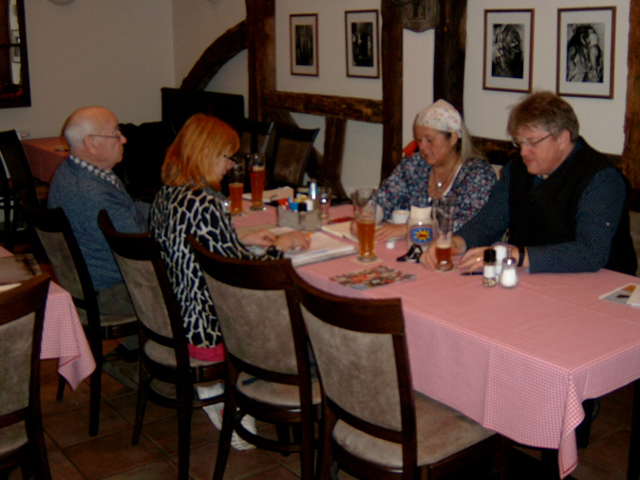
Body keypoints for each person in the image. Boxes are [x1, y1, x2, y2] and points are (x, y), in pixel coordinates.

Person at [422, 91, 637, 275]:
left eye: (532, 142)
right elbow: (490, 221)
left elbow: (591, 252)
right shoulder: (517, 169)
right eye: (520, 142)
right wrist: (458, 241)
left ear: (562, 138)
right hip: (532, 277)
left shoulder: (600, 178)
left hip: (600, 289)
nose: (523, 152)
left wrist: (518, 255)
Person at [149, 113, 309, 361]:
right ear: (206, 153)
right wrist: (280, 245)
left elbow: (192, 245)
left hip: (176, 315)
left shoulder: (168, 192)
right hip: (208, 327)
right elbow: (245, 275)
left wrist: (242, 240)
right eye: (228, 157)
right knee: (298, 309)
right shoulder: (205, 203)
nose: (231, 165)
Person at [48, 106, 149, 319]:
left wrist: (161, 208)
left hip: (91, 282)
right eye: (116, 134)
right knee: (198, 281)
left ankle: (138, 343)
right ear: (92, 144)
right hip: (111, 292)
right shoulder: (93, 193)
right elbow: (141, 245)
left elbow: (129, 208)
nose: (124, 140)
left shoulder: (71, 170)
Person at [371, 99, 497, 242]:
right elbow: (386, 197)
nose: (422, 147)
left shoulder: (478, 173)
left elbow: (468, 223)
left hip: (456, 253)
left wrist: (410, 228)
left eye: (430, 140)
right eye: (419, 140)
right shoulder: (414, 164)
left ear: (453, 138)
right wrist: (367, 217)